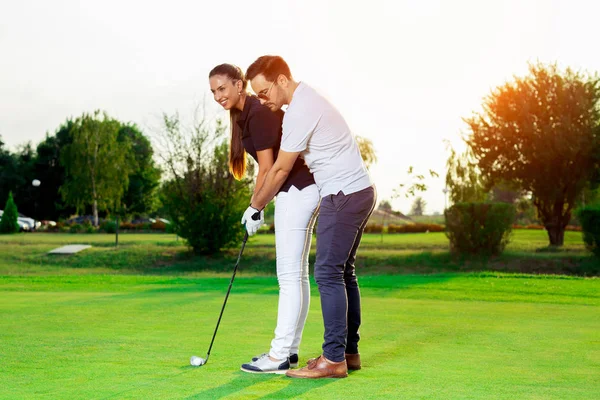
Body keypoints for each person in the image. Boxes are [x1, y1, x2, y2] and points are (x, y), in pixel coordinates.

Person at [241, 56, 377, 379]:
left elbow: (279, 170)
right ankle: (348, 352)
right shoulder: (306, 100)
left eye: (264, 92)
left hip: (343, 194)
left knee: (328, 273)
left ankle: (333, 360)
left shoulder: (299, 110)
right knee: (344, 273)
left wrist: (254, 206)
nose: (262, 100)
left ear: (282, 81)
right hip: (358, 190)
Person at [209, 64, 320, 374]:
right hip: (299, 191)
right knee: (295, 275)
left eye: (223, 88)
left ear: (239, 84)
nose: (218, 96)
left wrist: (254, 207)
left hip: (296, 190)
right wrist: (256, 205)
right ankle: (289, 351)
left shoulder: (258, 111)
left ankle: (279, 354)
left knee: (288, 275)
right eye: (214, 92)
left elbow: (268, 168)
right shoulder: (244, 115)